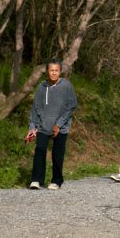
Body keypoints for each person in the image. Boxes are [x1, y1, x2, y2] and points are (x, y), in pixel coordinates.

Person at [25, 60, 78, 190]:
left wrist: (58, 124)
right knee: (40, 150)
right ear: (47, 72)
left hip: (61, 127)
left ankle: (56, 181)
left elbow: (71, 106)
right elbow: (35, 109)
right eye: (51, 70)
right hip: (43, 125)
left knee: (57, 154)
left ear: (60, 71)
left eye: (56, 70)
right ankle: (37, 180)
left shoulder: (66, 86)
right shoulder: (41, 87)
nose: (54, 73)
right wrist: (32, 128)